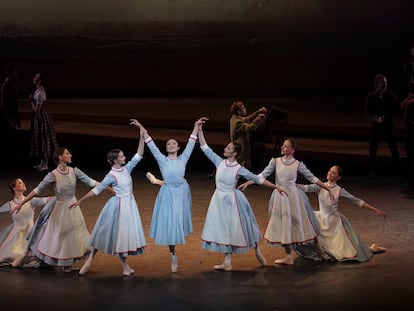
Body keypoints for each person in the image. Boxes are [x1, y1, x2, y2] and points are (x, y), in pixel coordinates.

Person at [197, 117, 287, 271]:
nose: (225, 149)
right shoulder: (219, 162)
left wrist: (276, 187)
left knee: (243, 227)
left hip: (232, 200)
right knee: (225, 230)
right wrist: (199, 129)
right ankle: (227, 261)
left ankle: (257, 250)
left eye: (228, 148)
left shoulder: (239, 169)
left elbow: (258, 179)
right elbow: (205, 147)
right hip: (218, 200)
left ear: (234, 152)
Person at [239, 138, 333, 265]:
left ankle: (320, 252)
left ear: (293, 150)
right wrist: (248, 183)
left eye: (286, 146)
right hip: (280, 197)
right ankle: (288, 256)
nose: (283, 148)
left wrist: (326, 187)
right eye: (283, 146)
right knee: (284, 226)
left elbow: (312, 178)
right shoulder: (275, 161)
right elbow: (262, 175)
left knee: (304, 224)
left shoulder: (298, 164)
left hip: (294, 197)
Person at [70, 121, 146, 276]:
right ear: (115, 160)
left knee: (122, 236)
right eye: (121, 156)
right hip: (118, 207)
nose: (124, 157)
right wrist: (80, 201)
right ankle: (90, 259)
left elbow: (139, 155)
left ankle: (125, 266)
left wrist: (142, 136)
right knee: (103, 232)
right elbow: (96, 190)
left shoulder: (127, 169)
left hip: (129, 205)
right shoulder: (111, 176)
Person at [13, 147, 100, 272]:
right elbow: (37, 190)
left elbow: (91, 182)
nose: (70, 155)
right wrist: (22, 203)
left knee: (72, 234)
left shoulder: (74, 171)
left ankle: (66, 263)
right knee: (56, 234)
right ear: (60, 157)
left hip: (72, 205)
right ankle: (38, 256)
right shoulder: (53, 175)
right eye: (67, 153)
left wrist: (108, 186)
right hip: (59, 206)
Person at [136, 117, 204, 273]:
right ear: (166, 148)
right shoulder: (162, 159)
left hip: (181, 192)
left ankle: (155, 181)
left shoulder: (183, 158)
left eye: (174, 143)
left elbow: (192, 142)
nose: (171, 145)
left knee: (178, 222)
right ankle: (173, 254)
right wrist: (141, 128)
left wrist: (196, 126)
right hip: (167, 193)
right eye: (168, 143)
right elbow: (150, 143)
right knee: (171, 223)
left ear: (178, 147)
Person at [296, 165, 387, 262]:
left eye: (334, 173)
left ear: (338, 177)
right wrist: (289, 183)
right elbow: (304, 188)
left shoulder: (339, 190)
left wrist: (375, 210)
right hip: (321, 218)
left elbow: (357, 201)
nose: (330, 174)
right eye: (329, 171)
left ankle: (373, 248)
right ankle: (319, 252)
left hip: (333, 222)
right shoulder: (320, 186)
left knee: (342, 250)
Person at [0, 178, 54, 267]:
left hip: (30, 231)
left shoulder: (31, 201)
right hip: (16, 231)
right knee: (11, 252)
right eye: (20, 183)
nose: (24, 183)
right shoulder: (10, 204)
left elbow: (48, 199)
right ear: (14, 188)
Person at [365, 74, 400, 178]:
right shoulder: (371, 96)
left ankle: (397, 171)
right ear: (377, 84)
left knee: (393, 146)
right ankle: (373, 171)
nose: (384, 85)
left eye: (385, 82)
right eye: (382, 82)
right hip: (376, 124)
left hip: (388, 123)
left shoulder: (390, 95)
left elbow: (394, 109)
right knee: (373, 147)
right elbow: (368, 110)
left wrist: (387, 117)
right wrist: (375, 118)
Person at [29, 72, 58, 171]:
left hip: (42, 118)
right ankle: (42, 163)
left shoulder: (41, 92)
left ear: (39, 81)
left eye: (36, 78)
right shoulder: (38, 91)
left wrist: (31, 102)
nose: (33, 78)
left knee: (45, 140)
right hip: (39, 118)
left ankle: (45, 164)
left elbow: (37, 110)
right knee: (40, 140)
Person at [229, 101, 267, 170]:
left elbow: (247, 119)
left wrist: (258, 111)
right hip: (241, 148)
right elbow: (250, 128)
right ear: (238, 111)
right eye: (243, 108)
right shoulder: (237, 122)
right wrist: (259, 118)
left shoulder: (235, 118)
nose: (245, 109)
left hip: (241, 147)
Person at [400, 82, 414, 189]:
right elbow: (405, 117)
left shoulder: (410, 102)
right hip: (411, 133)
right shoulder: (410, 102)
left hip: (411, 133)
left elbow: (405, 118)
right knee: (411, 158)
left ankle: (411, 181)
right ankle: (410, 181)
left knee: (411, 158)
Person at [0, 65, 20, 134]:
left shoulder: (12, 83)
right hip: (8, 114)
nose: (16, 73)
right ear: (10, 73)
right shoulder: (7, 84)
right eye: (15, 71)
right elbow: (7, 102)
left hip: (11, 113)